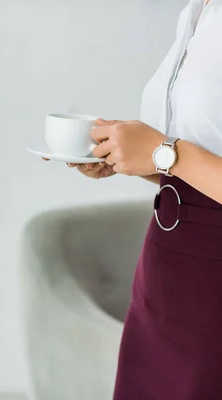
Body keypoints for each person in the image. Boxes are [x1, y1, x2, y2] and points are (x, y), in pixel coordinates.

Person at [69, 0, 222, 398]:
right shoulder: (195, 12)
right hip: (165, 270)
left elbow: (177, 153)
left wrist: (162, 151)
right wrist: (131, 158)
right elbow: (195, 166)